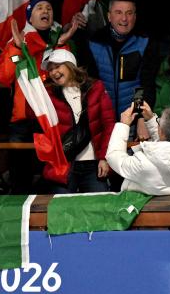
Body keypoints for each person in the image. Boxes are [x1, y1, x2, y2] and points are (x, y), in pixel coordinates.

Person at [0, 0, 76, 192]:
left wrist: (61, 46)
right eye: (39, 8)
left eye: (48, 7)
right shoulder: (19, 40)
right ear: (30, 17)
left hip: (51, 116)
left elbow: (69, 73)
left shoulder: (59, 41)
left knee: (49, 173)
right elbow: (3, 76)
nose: (45, 10)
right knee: (20, 175)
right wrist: (16, 48)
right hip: (23, 119)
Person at [81, 0, 161, 129]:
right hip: (102, 123)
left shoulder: (144, 42)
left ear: (135, 17)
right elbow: (90, 86)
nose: (124, 19)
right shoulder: (94, 42)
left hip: (132, 123)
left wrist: (140, 117)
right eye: (118, 12)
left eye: (129, 13)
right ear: (109, 16)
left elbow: (143, 84)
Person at [42, 48, 115, 193]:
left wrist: (104, 158)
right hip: (64, 166)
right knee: (62, 210)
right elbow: (32, 114)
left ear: (70, 65)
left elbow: (108, 124)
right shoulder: (48, 93)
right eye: (50, 70)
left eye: (57, 67)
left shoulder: (96, 88)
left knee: (98, 209)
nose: (53, 72)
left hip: (93, 165)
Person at [106, 103, 170, 195]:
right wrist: (151, 119)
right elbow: (167, 142)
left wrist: (123, 125)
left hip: (141, 204)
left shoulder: (142, 163)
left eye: (158, 121)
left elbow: (114, 157)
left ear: (161, 131)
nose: (157, 121)